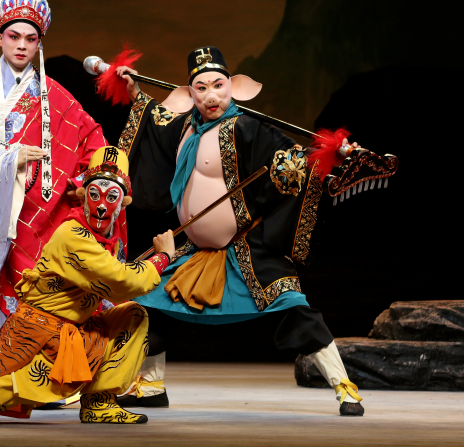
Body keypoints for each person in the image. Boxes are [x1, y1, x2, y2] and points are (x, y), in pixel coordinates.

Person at [113, 46, 365, 416]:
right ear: (188, 93)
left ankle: (345, 388)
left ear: (234, 87)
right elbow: (154, 122)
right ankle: (150, 387)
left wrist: (331, 155)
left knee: (293, 307)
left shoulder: (248, 129)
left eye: (218, 85)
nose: (211, 96)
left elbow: (293, 162)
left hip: (245, 249)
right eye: (201, 88)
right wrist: (133, 90)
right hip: (193, 250)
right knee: (150, 303)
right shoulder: (182, 128)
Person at [0, 147, 174, 425]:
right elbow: (122, 280)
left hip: (74, 336)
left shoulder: (105, 240)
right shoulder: (72, 236)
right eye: (94, 194)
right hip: (33, 337)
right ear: (83, 197)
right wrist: (163, 257)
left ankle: (100, 404)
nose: (101, 206)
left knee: (132, 316)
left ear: (123, 204)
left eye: (112, 197)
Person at [0, 0, 112, 392]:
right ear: (0, 38)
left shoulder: (54, 95)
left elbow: (92, 138)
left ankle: (31, 390)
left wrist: (83, 184)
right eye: (14, 36)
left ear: (39, 44)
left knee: (40, 302)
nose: (21, 45)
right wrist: (11, 156)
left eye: (31, 39)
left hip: (41, 219)